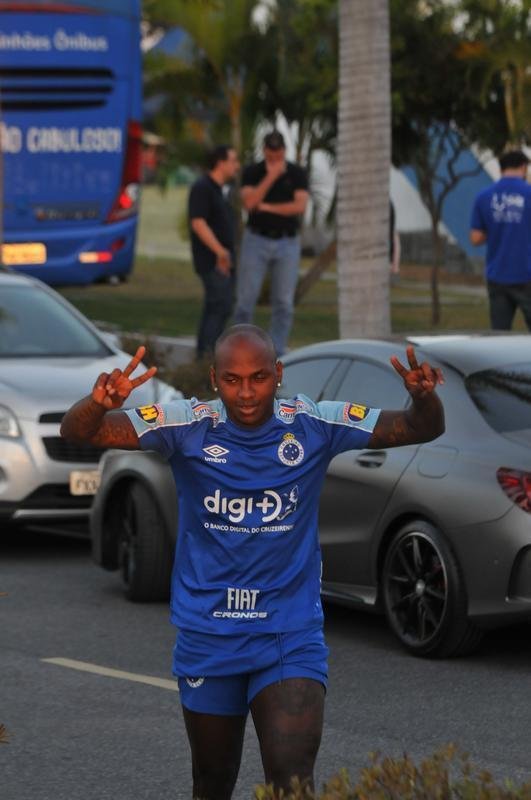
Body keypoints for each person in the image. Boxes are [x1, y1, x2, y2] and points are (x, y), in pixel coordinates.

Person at [60, 324, 445, 799]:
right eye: (232, 380)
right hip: (208, 635)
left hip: (288, 633)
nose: (246, 393)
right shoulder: (184, 424)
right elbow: (80, 431)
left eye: (259, 377)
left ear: (278, 373)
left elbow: (420, 426)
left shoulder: (315, 423)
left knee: (291, 779)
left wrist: (423, 399)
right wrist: (100, 402)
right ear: (214, 377)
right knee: (213, 782)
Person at [233, 131, 309, 355]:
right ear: (264, 149)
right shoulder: (253, 172)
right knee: (246, 300)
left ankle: (277, 353)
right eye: (270, 150)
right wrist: (271, 177)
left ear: (284, 150)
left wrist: (266, 207)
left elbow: (299, 207)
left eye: (278, 151)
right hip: (256, 239)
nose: (274, 155)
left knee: (284, 303)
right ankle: (241, 347)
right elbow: (249, 202)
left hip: (287, 242)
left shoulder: (296, 173)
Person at [188, 145, 241, 358]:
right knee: (218, 306)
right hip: (213, 260)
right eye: (233, 160)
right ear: (220, 162)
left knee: (222, 307)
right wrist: (220, 252)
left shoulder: (220, 189)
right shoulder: (203, 187)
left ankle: (211, 355)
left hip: (224, 259)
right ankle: (206, 356)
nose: (236, 166)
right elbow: (198, 222)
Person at [470, 149, 531, 331]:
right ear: (523, 167)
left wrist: (498, 227)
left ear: (501, 168)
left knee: (499, 335)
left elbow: (475, 238)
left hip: (497, 274)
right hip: (527, 274)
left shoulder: (483, 197)